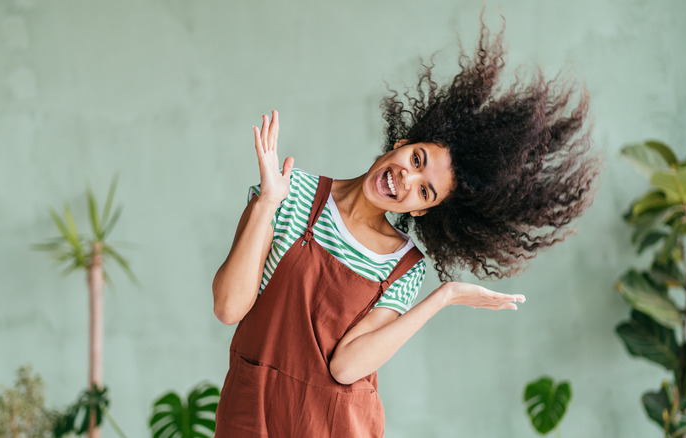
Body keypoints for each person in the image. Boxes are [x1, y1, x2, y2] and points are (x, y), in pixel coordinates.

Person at [212, 20, 598, 437]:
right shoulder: (289, 191)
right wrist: (267, 203)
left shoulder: (402, 266)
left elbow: (345, 367)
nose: (406, 180)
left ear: (422, 211)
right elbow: (229, 308)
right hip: (251, 417)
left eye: (425, 191)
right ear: (400, 145)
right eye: (416, 160)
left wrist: (444, 296)